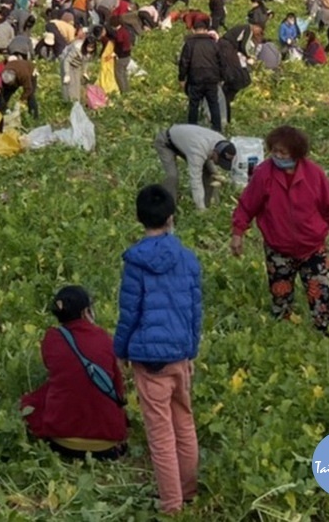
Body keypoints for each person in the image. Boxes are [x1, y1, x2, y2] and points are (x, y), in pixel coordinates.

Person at [113, 185, 201, 515]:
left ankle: (171, 504)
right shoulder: (188, 259)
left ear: (139, 218)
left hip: (148, 359)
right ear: (171, 217)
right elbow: (195, 310)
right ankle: (189, 491)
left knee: (160, 434)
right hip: (179, 352)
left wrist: (120, 350)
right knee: (184, 422)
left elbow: (129, 313)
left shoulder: (135, 263)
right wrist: (190, 352)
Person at [231, 126, 329, 332]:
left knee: (321, 295)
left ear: (296, 153)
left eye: (283, 152)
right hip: (278, 248)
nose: (278, 156)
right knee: (280, 297)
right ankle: (283, 334)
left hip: (312, 247)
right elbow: (247, 204)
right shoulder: (264, 174)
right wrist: (237, 233)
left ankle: (325, 334)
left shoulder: (314, 175)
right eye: (274, 151)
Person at [20, 286, 128, 460]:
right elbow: (118, 387)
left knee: (38, 397)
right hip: (107, 443)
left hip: (62, 442)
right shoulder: (104, 338)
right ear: (87, 312)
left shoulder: (52, 338)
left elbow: (56, 369)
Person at [153, 124, 236, 210]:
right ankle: (168, 210)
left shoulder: (223, 142)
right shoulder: (198, 150)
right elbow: (196, 181)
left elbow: (213, 166)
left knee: (211, 173)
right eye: (220, 160)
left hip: (186, 142)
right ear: (215, 152)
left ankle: (209, 206)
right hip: (166, 142)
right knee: (172, 176)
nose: (219, 163)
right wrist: (200, 208)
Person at [178, 17, 225, 132]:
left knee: (194, 105)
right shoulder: (213, 43)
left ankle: (192, 129)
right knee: (213, 104)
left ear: (193, 30)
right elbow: (221, 61)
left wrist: (182, 78)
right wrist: (221, 77)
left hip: (195, 78)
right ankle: (217, 129)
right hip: (211, 78)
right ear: (206, 30)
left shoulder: (189, 43)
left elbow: (184, 62)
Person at [60, 35, 96, 105]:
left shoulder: (90, 52)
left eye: (92, 48)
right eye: (89, 47)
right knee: (68, 84)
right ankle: (67, 103)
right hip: (67, 63)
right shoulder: (77, 48)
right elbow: (67, 61)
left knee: (76, 84)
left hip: (77, 65)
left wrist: (85, 72)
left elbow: (86, 61)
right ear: (85, 45)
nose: (90, 49)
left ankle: (76, 102)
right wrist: (67, 74)